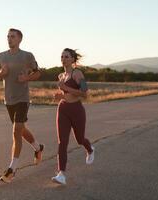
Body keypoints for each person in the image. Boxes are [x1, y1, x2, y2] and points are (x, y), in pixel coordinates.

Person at [0, 28, 44, 183]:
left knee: (16, 132)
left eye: (12, 37)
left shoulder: (27, 56)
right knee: (20, 130)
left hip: (22, 99)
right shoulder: (0, 56)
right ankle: (38, 147)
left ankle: (12, 170)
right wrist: (1, 73)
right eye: (8, 36)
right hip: (8, 99)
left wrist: (26, 78)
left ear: (20, 39)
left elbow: (38, 73)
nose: (9, 39)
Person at [52, 48, 94, 185]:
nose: (63, 59)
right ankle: (61, 174)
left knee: (80, 139)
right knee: (62, 142)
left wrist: (65, 88)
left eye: (66, 56)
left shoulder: (78, 74)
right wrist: (60, 96)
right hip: (63, 109)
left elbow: (85, 93)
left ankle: (90, 149)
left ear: (73, 59)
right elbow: (66, 95)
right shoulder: (61, 76)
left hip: (76, 110)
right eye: (62, 56)